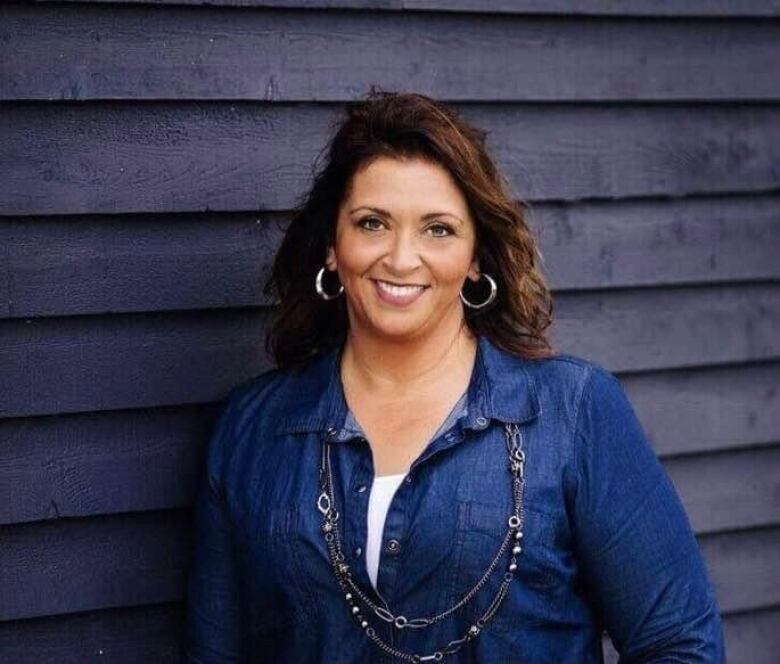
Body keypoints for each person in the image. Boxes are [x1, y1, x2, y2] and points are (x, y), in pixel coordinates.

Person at [182, 89, 725, 663]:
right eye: (372, 223)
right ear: (332, 247)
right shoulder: (254, 429)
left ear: (474, 259)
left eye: (437, 229)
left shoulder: (572, 412)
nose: (400, 257)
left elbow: (679, 645)